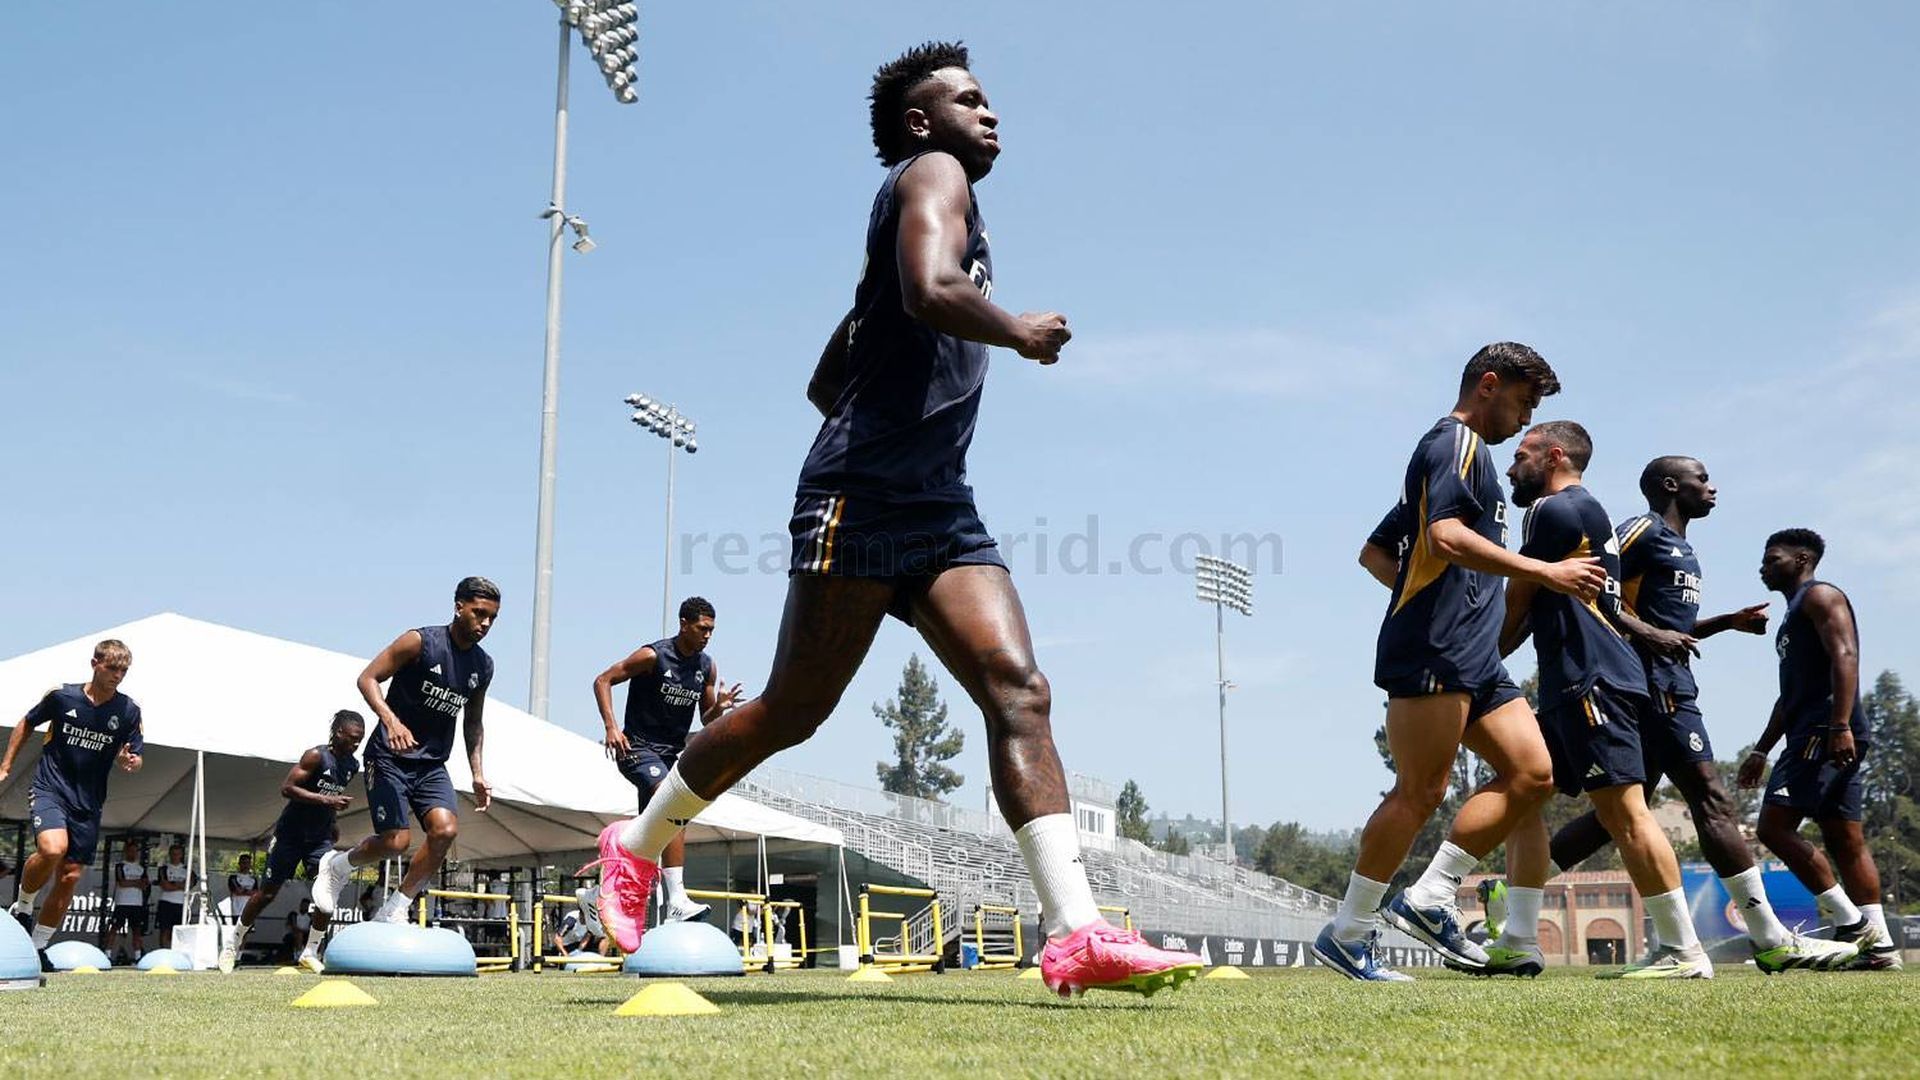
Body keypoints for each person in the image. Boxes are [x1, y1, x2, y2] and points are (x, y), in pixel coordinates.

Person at [587, 42, 1202, 998]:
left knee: (1020, 690)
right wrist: (1018, 330)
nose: (990, 112)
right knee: (793, 711)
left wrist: (887, 349)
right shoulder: (933, 172)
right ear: (923, 122)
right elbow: (929, 290)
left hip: (941, 506)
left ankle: (1076, 930)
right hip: (863, 497)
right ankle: (635, 842)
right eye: (970, 98)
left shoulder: (938, 214)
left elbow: (830, 373)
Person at [1317, 345, 1600, 982]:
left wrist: (1449, 595)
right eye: (1524, 402)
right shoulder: (1455, 444)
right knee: (1420, 791)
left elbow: (1378, 551)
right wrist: (1542, 572)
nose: (1525, 417)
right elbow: (1443, 536)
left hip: (1475, 654)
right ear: (1488, 385)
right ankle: (1349, 932)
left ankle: (1430, 895)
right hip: (1436, 648)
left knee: (1533, 774)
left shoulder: (1473, 461)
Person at [1536, 458, 1856, 972]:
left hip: (1668, 682)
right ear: (1671, 486)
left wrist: (1725, 623)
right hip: (1651, 688)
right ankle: (1771, 937)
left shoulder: (1684, 549)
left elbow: (1670, 628)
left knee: (1619, 815)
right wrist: (1650, 635)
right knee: (1711, 800)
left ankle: (1513, 892)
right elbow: (1594, 591)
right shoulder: (1640, 531)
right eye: (1701, 479)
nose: (1711, 488)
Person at [1497, 421, 1712, 978]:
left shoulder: (1550, 510)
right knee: (1520, 787)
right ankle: (1518, 937)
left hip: (1590, 680)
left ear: (1554, 457)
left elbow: (1519, 599)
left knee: (1626, 814)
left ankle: (1683, 950)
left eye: (1521, 456)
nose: (1511, 468)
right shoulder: (1591, 513)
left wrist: (1478, 659)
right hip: (1584, 679)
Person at [1738, 529, 1901, 970]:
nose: (1763, 568)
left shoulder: (1821, 596)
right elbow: (1790, 695)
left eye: (1772, 559)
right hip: (1820, 728)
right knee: (1845, 839)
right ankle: (1881, 948)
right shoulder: (1792, 615)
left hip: (1824, 730)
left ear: (1802, 559)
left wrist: (1839, 725)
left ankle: (1852, 924)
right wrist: (1761, 750)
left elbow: (1846, 655)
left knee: (1773, 828)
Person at [311, 578, 497, 926]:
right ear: (459, 607)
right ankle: (338, 866)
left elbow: (473, 721)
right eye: (479, 613)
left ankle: (395, 907)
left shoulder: (483, 666)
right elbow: (367, 678)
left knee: (445, 831)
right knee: (396, 842)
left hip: (431, 764)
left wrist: (477, 773)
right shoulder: (420, 642)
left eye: (492, 618)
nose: (485, 623)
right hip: (388, 757)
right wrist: (391, 721)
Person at [592, 596, 742, 924]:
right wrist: (611, 727)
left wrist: (720, 707)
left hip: (670, 755)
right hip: (636, 748)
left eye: (711, 630)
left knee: (651, 832)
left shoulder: (706, 667)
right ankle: (677, 899)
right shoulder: (653, 656)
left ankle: (600, 893)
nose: (707, 635)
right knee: (673, 804)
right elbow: (602, 680)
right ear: (684, 624)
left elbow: (706, 719)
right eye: (702, 628)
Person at [0, 639, 145, 971]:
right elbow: (27, 722)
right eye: (112, 668)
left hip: (89, 802)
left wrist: (130, 761)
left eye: (124, 671)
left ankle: (38, 947)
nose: (118, 675)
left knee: (69, 876)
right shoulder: (62, 696)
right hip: (50, 788)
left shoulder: (128, 710)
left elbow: (136, 757)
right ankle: (23, 906)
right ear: (95, 664)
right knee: (53, 849)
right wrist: (6, 766)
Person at [220, 710, 364, 973]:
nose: (357, 744)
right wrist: (326, 800)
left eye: (360, 739)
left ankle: (310, 952)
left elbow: (332, 797)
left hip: (319, 839)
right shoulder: (316, 756)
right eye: (353, 738)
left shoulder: (352, 766)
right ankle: (233, 941)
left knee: (327, 890)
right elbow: (287, 788)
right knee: (267, 894)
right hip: (289, 835)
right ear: (339, 732)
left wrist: (332, 821)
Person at [101, 838, 150, 963]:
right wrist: (137, 882)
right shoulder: (120, 866)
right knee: (114, 928)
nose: (132, 853)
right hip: (122, 902)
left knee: (137, 931)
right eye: (130, 851)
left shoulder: (141, 868)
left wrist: (133, 882)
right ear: (126, 852)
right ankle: (107, 955)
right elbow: (122, 883)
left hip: (137, 904)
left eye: (135, 851)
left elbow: (145, 884)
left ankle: (138, 957)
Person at [552, 885, 607, 958]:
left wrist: (579, 951)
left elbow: (587, 936)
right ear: (581, 913)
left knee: (605, 937)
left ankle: (601, 960)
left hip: (579, 945)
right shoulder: (572, 919)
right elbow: (557, 938)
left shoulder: (592, 919)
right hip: (567, 946)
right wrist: (566, 956)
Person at [154, 842, 190, 947]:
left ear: (181, 855)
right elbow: (165, 886)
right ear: (170, 854)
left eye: (178, 854)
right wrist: (180, 885)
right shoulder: (163, 869)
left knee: (179, 931)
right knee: (164, 930)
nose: (175, 856)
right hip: (166, 903)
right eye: (173, 854)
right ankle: (163, 951)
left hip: (182, 904)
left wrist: (173, 884)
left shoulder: (188, 870)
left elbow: (189, 885)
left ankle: (176, 952)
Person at [226, 853, 260, 921]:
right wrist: (249, 892)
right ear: (239, 864)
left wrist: (244, 891)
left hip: (249, 911)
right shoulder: (233, 877)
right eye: (244, 863)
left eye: (248, 863)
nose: (246, 866)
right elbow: (237, 891)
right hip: (237, 911)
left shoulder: (253, 879)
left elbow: (256, 893)